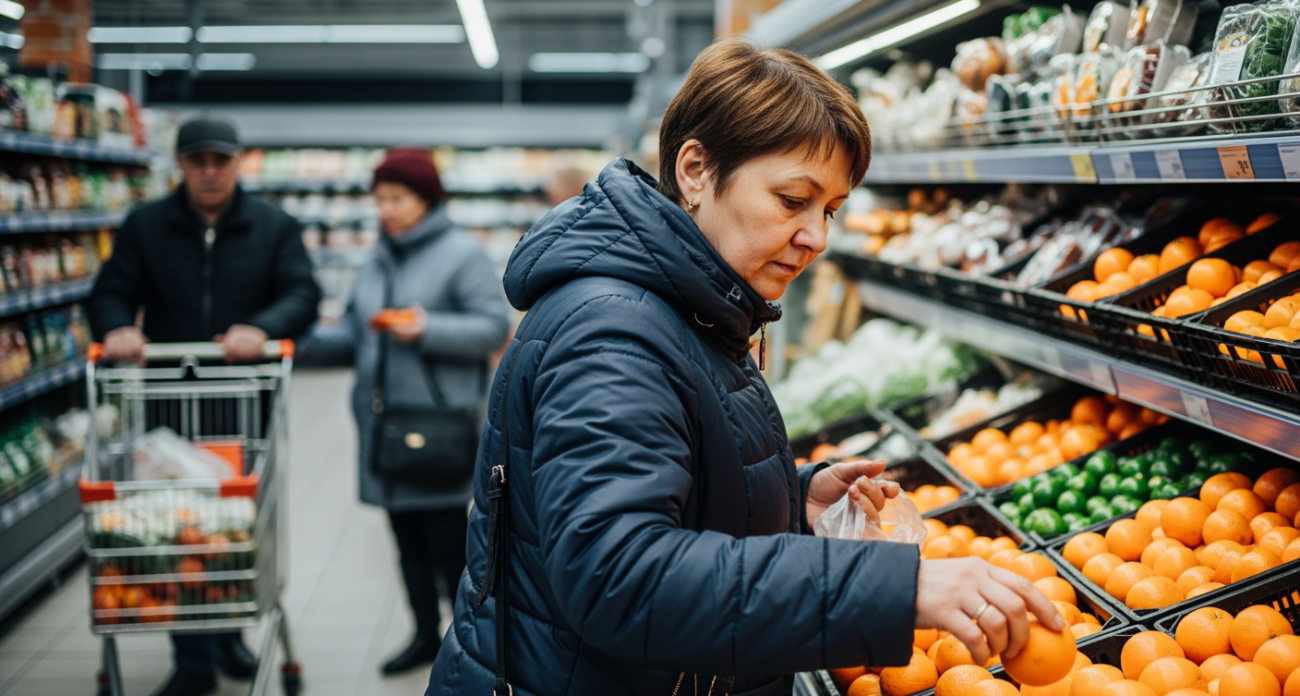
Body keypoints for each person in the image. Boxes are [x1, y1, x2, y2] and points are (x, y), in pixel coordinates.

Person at [428, 40, 1064, 696]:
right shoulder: (612, 332)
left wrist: (788, 505)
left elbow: (661, 486)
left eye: (831, 211)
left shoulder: (688, 307)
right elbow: (619, 578)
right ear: (697, 170)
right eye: (793, 200)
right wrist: (895, 592)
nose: (817, 236)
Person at [89, 117, 321, 696]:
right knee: (181, 525)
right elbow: (112, 289)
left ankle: (230, 634)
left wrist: (261, 329)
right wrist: (118, 327)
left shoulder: (274, 227)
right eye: (199, 162)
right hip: (174, 405)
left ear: (239, 162)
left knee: (240, 520)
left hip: (246, 405)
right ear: (182, 167)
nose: (210, 172)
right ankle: (193, 658)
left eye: (221, 160)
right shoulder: (146, 226)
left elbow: (302, 293)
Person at [298, 148, 510, 675]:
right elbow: (353, 329)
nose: (386, 209)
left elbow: (491, 327)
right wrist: (292, 342)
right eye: (380, 199)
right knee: (404, 539)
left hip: (436, 426)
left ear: (426, 198)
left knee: (447, 544)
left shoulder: (461, 253)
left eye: (398, 198)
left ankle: (472, 640)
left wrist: (427, 327)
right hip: (383, 424)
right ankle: (422, 633)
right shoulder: (377, 257)